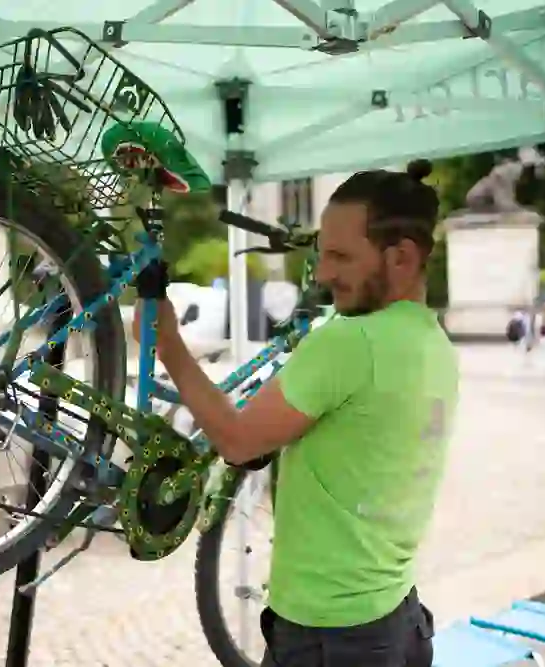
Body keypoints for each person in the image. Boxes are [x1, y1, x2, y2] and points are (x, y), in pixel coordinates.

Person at [134, 159, 457, 667]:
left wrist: (169, 345)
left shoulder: (351, 343)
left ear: (402, 258)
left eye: (341, 257)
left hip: (330, 639)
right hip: (395, 622)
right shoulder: (433, 341)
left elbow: (238, 441)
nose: (324, 273)